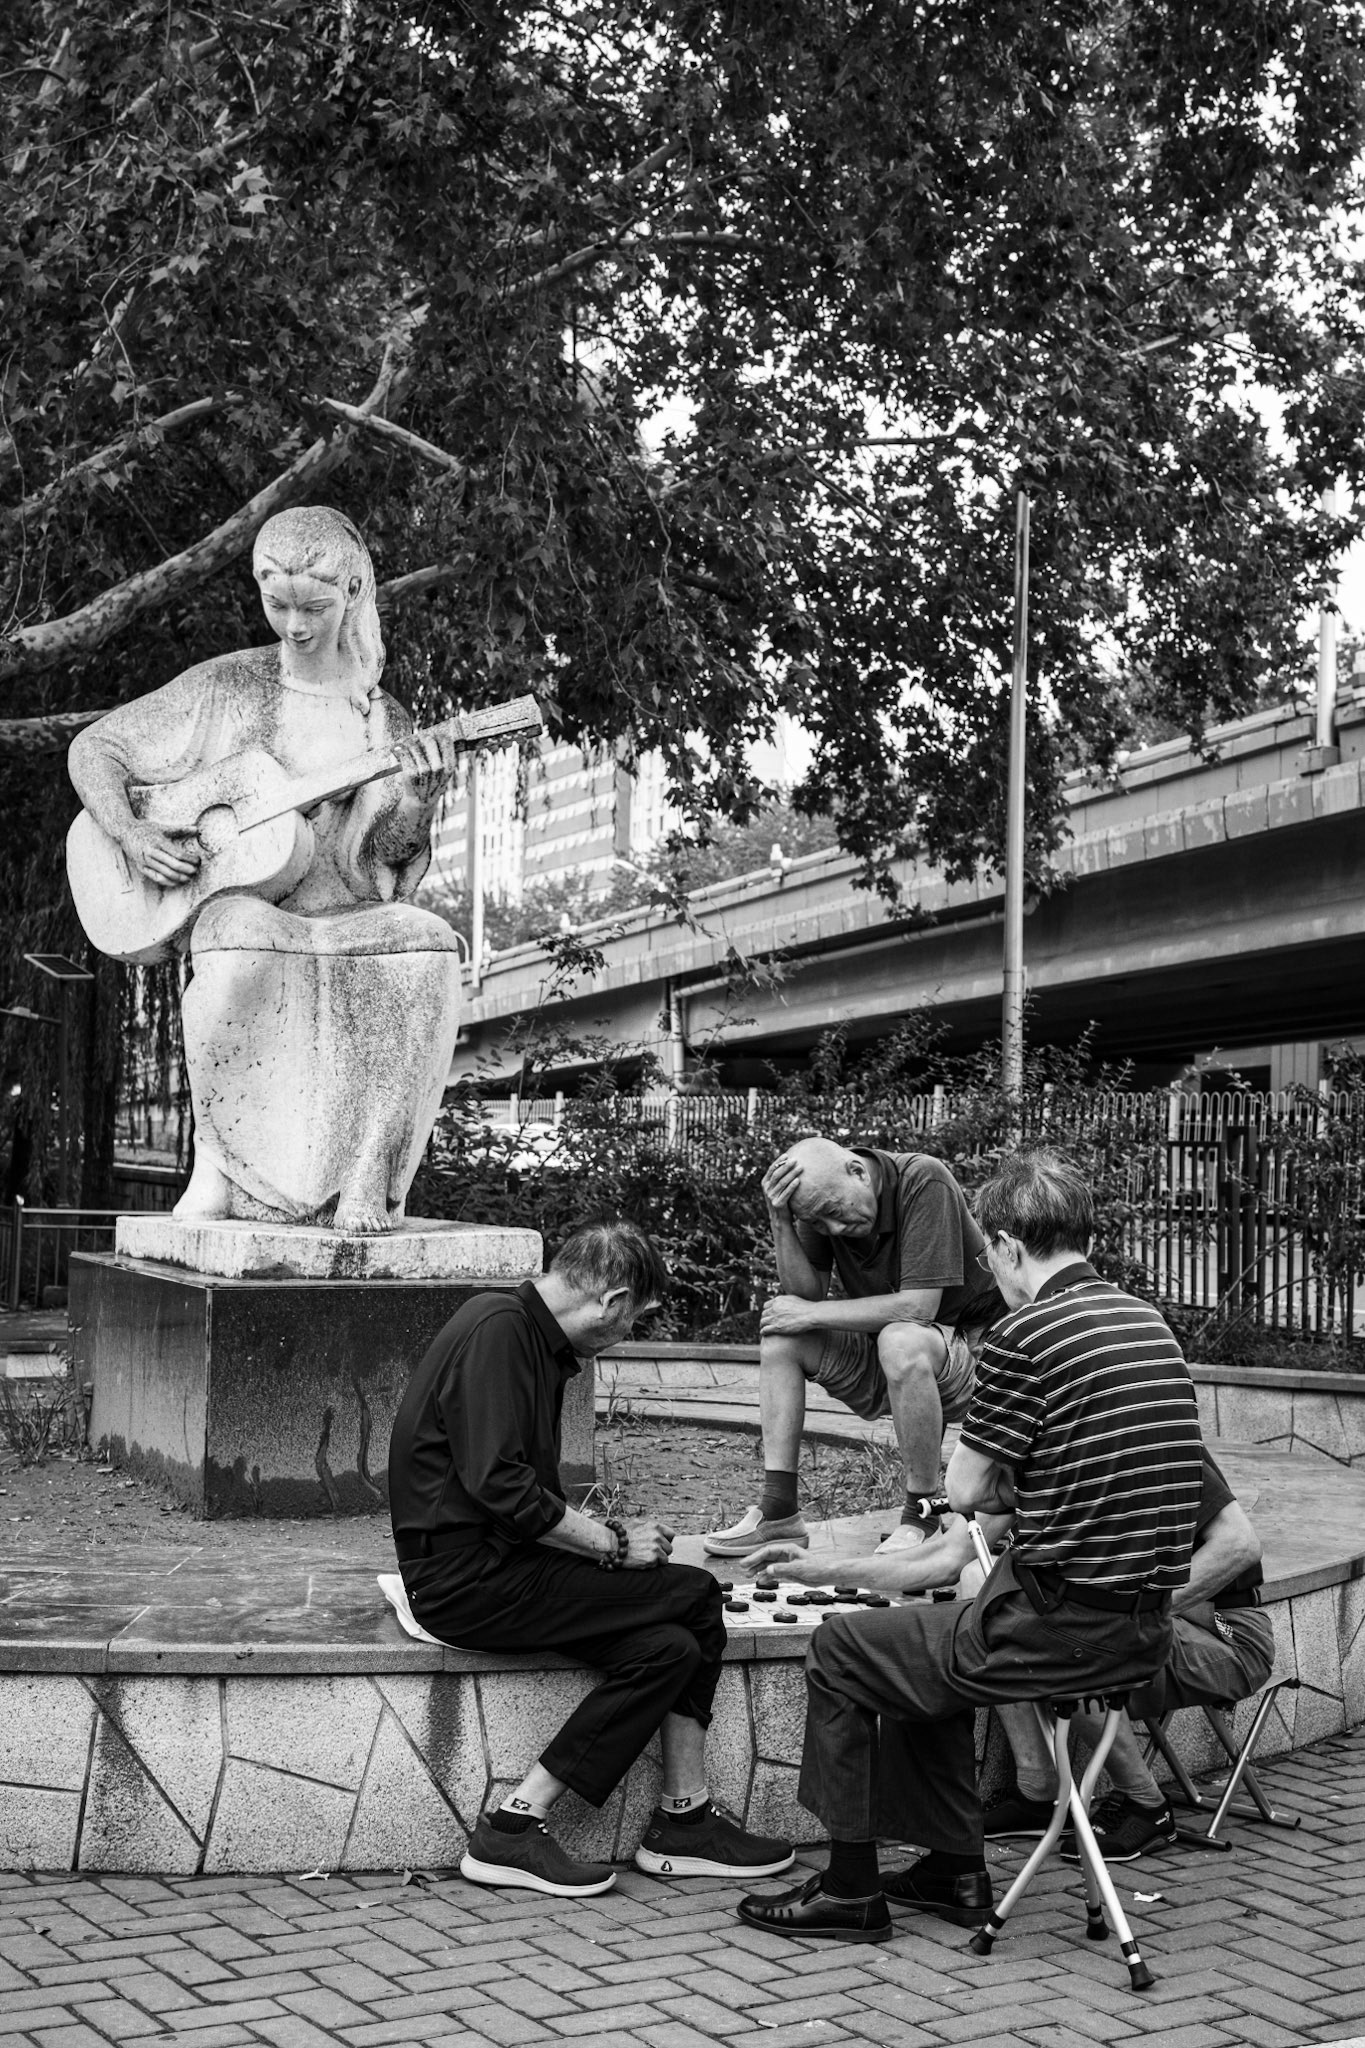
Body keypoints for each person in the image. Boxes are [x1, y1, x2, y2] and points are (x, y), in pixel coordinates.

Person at [735, 1149, 1203, 1945]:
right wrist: (824, 1566)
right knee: (914, 1653)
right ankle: (952, 1868)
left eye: (991, 1256)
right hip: (1140, 1631)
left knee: (846, 1649)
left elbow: (963, 1492)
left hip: (1051, 1629)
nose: (993, 1272)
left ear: (1010, 1249)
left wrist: (997, 1487)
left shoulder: (1027, 1333)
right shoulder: (1147, 1323)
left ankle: (850, 1891)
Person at [68, 506, 463, 1232]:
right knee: (239, 942)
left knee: (427, 943)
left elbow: (386, 856)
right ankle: (219, 1163)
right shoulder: (227, 685)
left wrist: (418, 800)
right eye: (276, 604)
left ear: (353, 590)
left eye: (313, 606)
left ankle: (365, 1171)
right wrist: (129, 832)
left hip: (345, 911)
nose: (294, 625)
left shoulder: (383, 719)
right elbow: (97, 749)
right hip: (244, 906)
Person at [387, 1219, 794, 1900]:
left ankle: (518, 1824)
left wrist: (604, 1543)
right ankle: (682, 1821)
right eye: (634, 1318)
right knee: (693, 1595)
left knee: (665, 1648)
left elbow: (512, 1491)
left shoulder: (520, 1332)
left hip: (497, 1566)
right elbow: (499, 1486)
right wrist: (611, 1543)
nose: (627, 1334)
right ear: (612, 1301)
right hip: (469, 1582)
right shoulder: (499, 1331)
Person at [703, 1137, 1004, 1560]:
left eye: (834, 1214)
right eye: (819, 1222)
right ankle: (780, 1515)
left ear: (859, 1172)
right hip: (892, 1350)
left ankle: (921, 1515)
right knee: (783, 1336)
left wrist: (811, 1315)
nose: (834, 1231)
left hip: (978, 1364)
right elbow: (805, 1293)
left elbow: (920, 1308)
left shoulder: (923, 1179)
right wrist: (781, 1219)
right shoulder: (817, 1200)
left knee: (900, 1338)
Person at [987, 1447, 1273, 1860]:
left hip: (1228, 1632)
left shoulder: (1159, 1440)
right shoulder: (1068, 1448)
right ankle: (1040, 1794)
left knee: (1080, 1640)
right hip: (1154, 1621)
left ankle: (1147, 1804)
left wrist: (1131, 1610)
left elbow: (1241, 1547)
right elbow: (968, 1534)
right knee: (990, 1598)